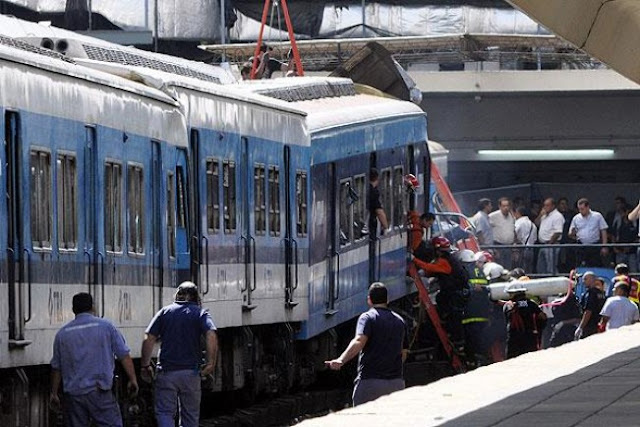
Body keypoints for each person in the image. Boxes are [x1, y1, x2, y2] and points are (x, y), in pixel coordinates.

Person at [50, 293, 138, 427]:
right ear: (93, 307)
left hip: (74, 395)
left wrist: (54, 392)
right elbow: (123, 356)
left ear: (73, 310)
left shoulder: (62, 334)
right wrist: (133, 379)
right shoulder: (107, 327)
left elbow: (57, 367)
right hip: (100, 392)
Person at [141, 282, 218, 427]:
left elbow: (149, 337)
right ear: (195, 297)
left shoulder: (165, 312)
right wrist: (210, 363)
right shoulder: (201, 313)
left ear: (178, 295)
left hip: (166, 372)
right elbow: (211, 334)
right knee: (190, 415)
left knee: (164, 413)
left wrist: (145, 365)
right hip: (191, 373)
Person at [325, 282, 407, 406]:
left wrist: (341, 360)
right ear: (387, 300)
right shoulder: (400, 321)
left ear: (369, 300)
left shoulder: (367, 318)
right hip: (396, 383)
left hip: (370, 383)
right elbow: (403, 353)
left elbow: (359, 341)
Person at [412, 236, 469, 351]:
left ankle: (457, 343)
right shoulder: (450, 260)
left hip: (454, 295)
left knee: (452, 316)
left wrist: (414, 260)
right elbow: (436, 272)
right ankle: (457, 341)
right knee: (446, 307)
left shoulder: (444, 261)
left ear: (437, 250)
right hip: (457, 293)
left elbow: (431, 268)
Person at [458, 249, 491, 366]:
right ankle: (481, 359)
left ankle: (471, 361)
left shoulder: (463, 271)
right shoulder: (481, 271)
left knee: (469, 339)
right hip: (482, 312)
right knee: (481, 338)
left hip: (469, 312)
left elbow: (462, 290)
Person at [503, 287, 546, 359]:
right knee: (530, 359)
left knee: (512, 360)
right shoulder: (531, 303)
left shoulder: (508, 305)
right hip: (530, 337)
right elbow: (542, 317)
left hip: (514, 338)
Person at [568, 198, 609, 267]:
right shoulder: (576, 218)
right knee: (581, 265)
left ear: (587, 207)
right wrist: (573, 234)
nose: (580, 211)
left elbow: (603, 231)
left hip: (594, 246)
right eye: (579, 209)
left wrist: (604, 246)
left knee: (595, 265)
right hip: (581, 246)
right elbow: (570, 234)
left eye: (582, 209)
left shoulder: (597, 216)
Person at [535, 198, 564, 275]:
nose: (545, 207)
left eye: (547, 205)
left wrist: (550, 243)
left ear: (553, 206)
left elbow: (558, 232)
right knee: (541, 267)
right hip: (542, 244)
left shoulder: (557, 216)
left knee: (551, 267)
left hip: (551, 245)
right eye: (544, 205)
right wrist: (540, 215)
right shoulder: (544, 216)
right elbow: (536, 223)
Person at [575, 271, 606, 339]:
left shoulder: (591, 293)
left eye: (585, 279)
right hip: (598, 324)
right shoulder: (601, 293)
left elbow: (588, 311)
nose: (583, 281)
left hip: (590, 326)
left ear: (592, 280)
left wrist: (581, 327)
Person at [489, 197, 516, 268]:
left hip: (509, 246)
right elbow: (487, 230)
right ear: (500, 206)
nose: (506, 208)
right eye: (504, 206)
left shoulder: (512, 216)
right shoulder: (493, 216)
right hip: (498, 246)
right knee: (499, 267)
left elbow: (513, 230)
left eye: (507, 206)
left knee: (508, 267)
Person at [514, 205, 537, 274]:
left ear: (518, 213)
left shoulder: (518, 222)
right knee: (528, 269)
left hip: (521, 249)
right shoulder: (533, 225)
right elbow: (535, 238)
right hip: (530, 249)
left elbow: (514, 232)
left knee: (520, 270)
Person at [367, 168, 389, 236]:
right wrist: (386, 227)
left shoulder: (367, 190)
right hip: (371, 227)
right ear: (377, 178)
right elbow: (379, 212)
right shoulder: (374, 192)